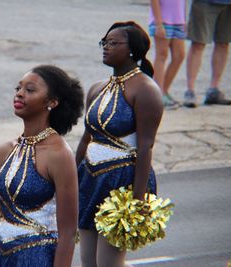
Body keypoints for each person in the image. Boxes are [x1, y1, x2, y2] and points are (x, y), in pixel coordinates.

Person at [76, 21, 163, 267]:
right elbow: (86, 138)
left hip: (121, 183)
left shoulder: (146, 90)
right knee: (88, 263)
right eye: (104, 42)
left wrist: (137, 200)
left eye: (113, 43)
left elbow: (145, 147)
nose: (106, 47)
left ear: (133, 50)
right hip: (90, 179)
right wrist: (71, 179)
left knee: (109, 264)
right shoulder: (96, 89)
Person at [0, 65, 84, 267]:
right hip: (0, 256)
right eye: (18, 88)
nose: (19, 94)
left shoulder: (59, 154)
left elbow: (68, 232)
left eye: (29, 90)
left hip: (36, 258)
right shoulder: (5, 150)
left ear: (52, 102)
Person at [184, 0, 231, 108]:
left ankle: (214, 90)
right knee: (198, 43)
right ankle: (190, 91)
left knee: (223, 43)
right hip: (204, 3)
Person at [149, 0, 186, 109]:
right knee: (162, 55)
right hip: (162, 21)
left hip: (178, 21)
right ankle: (158, 93)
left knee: (179, 56)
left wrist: (184, 20)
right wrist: (159, 24)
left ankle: (163, 90)